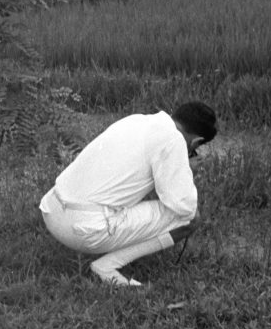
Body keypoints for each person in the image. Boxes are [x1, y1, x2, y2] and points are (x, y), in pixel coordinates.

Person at [39, 102, 218, 287]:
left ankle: (106, 258)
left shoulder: (137, 120)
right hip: (82, 230)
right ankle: (106, 266)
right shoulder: (173, 140)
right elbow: (184, 205)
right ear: (196, 141)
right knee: (190, 218)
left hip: (51, 210)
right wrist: (185, 169)